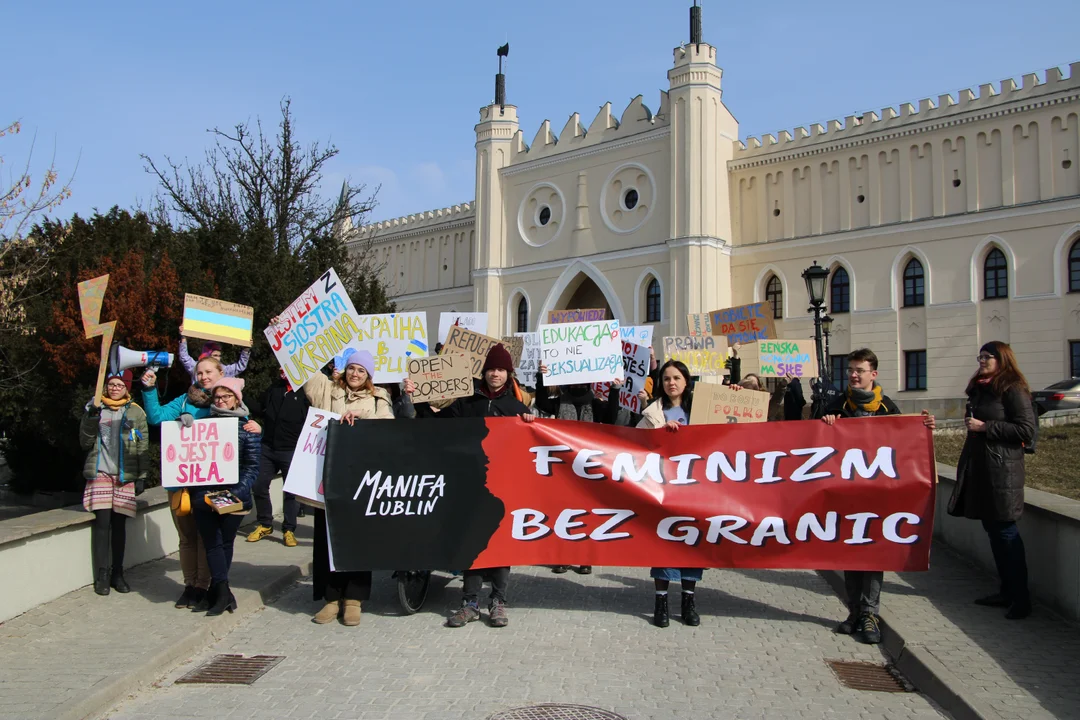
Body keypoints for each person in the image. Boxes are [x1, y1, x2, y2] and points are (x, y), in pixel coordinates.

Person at [406, 343, 535, 629]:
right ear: (484, 372)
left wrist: (531, 423)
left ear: (508, 373)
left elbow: (532, 445)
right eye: (491, 369)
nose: (495, 374)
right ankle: (470, 602)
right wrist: (415, 399)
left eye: (501, 369)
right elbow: (439, 426)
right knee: (473, 543)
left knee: (501, 545)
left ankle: (498, 601)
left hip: (503, 487)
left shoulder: (516, 408)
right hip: (470, 485)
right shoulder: (466, 403)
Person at [821, 348, 936, 644]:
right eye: (850, 371)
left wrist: (924, 429)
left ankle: (871, 614)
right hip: (846, 494)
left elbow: (905, 443)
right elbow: (814, 443)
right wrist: (826, 423)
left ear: (874, 374)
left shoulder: (887, 408)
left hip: (878, 497)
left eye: (860, 370)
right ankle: (855, 612)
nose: (854, 375)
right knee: (850, 553)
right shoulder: (836, 405)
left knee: (872, 553)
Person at [304, 347, 394, 627]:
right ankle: (331, 599)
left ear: (369, 376)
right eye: (352, 368)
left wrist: (360, 417)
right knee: (327, 537)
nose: (355, 374)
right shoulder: (328, 390)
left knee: (357, 537)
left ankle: (354, 599)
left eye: (361, 370)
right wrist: (287, 333)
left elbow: (388, 424)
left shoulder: (378, 397)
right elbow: (304, 371)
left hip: (360, 476)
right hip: (328, 475)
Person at [948, 341, 1035, 620]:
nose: (982, 361)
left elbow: (1026, 428)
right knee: (994, 532)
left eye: (988, 357)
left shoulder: (1012, 388)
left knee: (1006, 532)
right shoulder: (981, 387)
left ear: (1002, 359)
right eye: (981, 356)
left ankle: (1021, 598)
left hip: (1003, 471)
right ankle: (1006, 591)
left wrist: (986, 427)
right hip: (983, 468)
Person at [636, 359, 703, 628]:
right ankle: (660, 603)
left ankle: (688, 601)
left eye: (676, 378)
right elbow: (637, 447)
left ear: (686, 381)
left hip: (696, 489)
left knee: (691, 544)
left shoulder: (700, 410)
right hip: (663, 489)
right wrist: (661, 436)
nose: (671, 383)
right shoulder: (652, 413)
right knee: (663, 543)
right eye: (666, 379)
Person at [190, 378, 260, 616]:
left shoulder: (248, 427)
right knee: (212, 543)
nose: (221, 401)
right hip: (205, 494)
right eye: (218, 397)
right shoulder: (202, 425)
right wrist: (184, 428)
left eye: (226, 396)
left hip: (232, 495)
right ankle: (222, 591)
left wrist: (235, 492)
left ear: (236, 399)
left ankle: (219, 592)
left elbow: (252, 467)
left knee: (224, 542)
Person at [80, 370, 149, 596]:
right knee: (102, 525)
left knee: (119, 527)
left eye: (120, 385)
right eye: (111, 384)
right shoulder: (95, 407)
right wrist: (91, 420)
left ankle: (117, 574)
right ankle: (101, 575)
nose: (115, 388)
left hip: (124, 474)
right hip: (100, 471)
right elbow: (84, 441)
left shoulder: (135, 412)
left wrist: (141, 476)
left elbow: (141, 444)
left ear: (127, 388)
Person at [534, 365, 607, 575]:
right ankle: (563, 556)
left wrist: (616, 391)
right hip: (564, 468)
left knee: (586, 512)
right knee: (564, 512)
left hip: (588, 467)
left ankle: (585, 556)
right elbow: (541, 403)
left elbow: (611, 415)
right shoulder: (559, 401)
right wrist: (541, 376)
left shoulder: (595, 401)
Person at [246, 368, 310, 547]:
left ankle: (289, 529)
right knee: (258, 485)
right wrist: (239, 394)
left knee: (291, 492)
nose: (283, 370)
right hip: (267, 447)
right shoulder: (275, 388)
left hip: (291, 450)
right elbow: (260, 408)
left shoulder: (306, 392)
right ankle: (265, 524)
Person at [178, 328, 250, 383]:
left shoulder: (222, 369)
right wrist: (183, 337)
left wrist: (246, 349)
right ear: (207, 355)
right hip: (197, 401)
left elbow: (239, 367)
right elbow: (184, 357)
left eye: (219, 356)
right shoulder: (196, 367)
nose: (218, 358)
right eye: (215, 355)